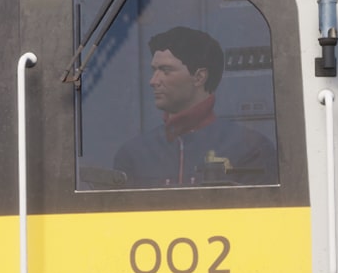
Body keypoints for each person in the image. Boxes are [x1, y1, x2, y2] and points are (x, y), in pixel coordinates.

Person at [116, 25, 277, 186]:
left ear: (199, 77)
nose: (154, 81)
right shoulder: (133, 155)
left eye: (166, 71)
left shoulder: (252, 150)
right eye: (154, 71)